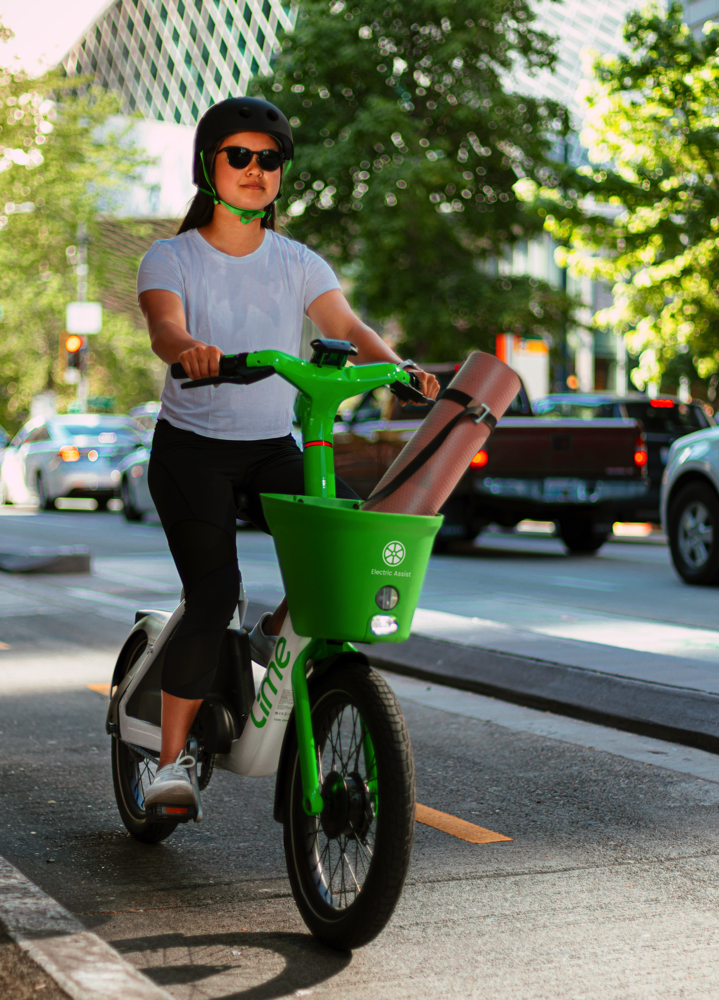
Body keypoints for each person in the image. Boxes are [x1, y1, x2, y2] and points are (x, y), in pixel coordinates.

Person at [136, 96, 439, 818]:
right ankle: (167, 766)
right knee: (213, 594)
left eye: (268, 159)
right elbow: (163, 327)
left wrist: (399, 371)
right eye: (238, 155)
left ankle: (276, 635)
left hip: (273, 448)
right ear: (208, 166)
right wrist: (191, 351)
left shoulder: (298, 262)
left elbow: (346, 324)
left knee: (339, 554)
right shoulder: (172, 256)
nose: (254, 169)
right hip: (193, 454)